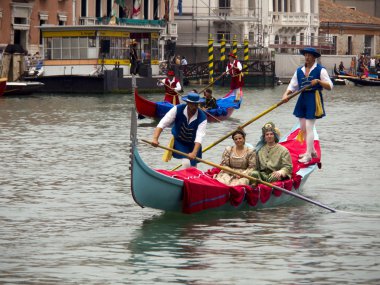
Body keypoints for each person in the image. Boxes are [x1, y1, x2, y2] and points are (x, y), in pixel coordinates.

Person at [282, 47, 333, 164]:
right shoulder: (299, 70)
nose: (307, 57)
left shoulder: (321, 70)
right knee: (303, 128)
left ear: (314, 57)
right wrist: (285, 94)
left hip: (313, 98)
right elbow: (292, 86)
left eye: (309, 55)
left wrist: (319, 82)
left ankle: (309, 155)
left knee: (310, 127)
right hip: (302, 98)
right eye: (305, 55)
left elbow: (330, 86)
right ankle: (312, 151)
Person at [151, 92, 207, 169]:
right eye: (192, 104)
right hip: (180, 141)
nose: (194, 107)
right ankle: (183, 180)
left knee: (193, 168)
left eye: (196, 104)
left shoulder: (202, 117)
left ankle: (191, 179)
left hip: (194, 144)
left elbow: (199, 136)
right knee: (186, 162)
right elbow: (162, 123)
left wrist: (194, 153)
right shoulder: (177, 109)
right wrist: (155, 139)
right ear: (187, 103)